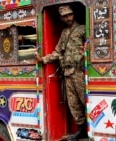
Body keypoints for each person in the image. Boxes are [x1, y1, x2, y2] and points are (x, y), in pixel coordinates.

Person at [35, 5, 87, 140]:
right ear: (61, 18)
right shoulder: (64, 33)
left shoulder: (82, 29)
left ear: (73, 14)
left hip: (80, 72)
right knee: (73, 104)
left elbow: (93, 45)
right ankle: (82, 130)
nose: (68, 18)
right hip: (68, 73)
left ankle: (91, 129)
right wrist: (43, 59)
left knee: (85, 101)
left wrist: (86, 52)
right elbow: (58, 52)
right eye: (65, 16)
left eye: (70, 14)